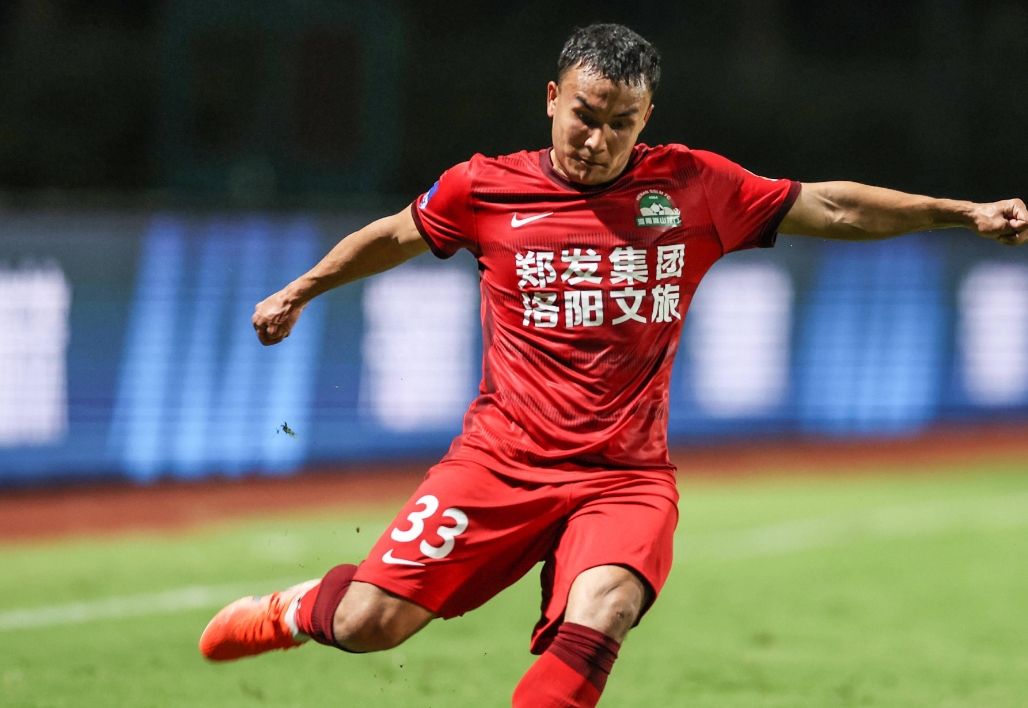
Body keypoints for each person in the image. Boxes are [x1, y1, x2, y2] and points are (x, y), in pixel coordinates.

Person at [199, 23, 1027, 707]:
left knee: (608, 606)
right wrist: (299, 290)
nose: (597, 140)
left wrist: (962, 213)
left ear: (647, 117)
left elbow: (834, 205)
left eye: (621, 123)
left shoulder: (695, 188)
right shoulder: (483, 188)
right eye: (584, 116)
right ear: (552, 99)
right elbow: (393, 234)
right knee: (368, 626)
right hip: (499, 463)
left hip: (624, 477)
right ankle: (297, 609)